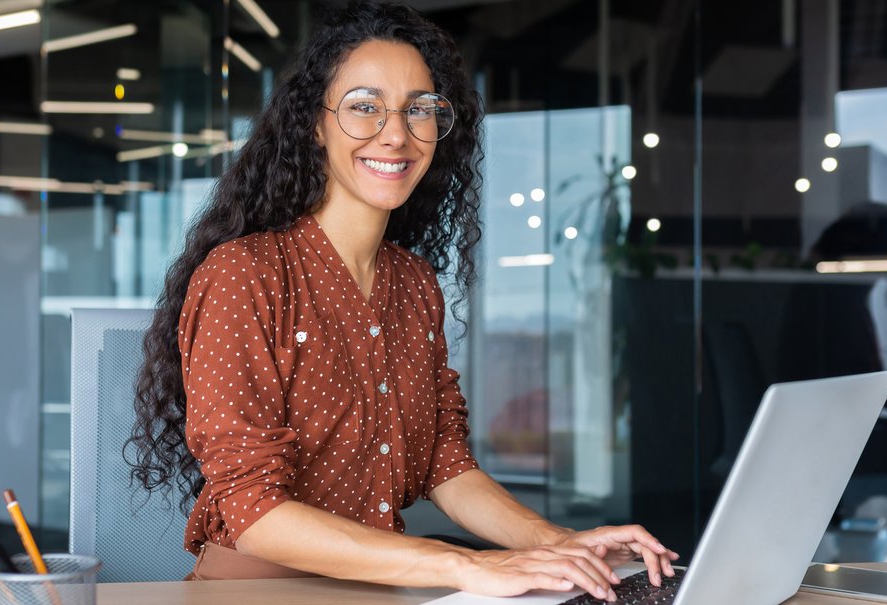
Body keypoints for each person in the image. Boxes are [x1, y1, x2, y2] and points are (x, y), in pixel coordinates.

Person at [129, 1, 677, 600]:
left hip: (378, 587)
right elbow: (254, 513)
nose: (397, 133)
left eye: (419, 110)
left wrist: (554, 541)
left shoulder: (414, 285)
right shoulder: (245, 274)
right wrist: (465, 565)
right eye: (365, 107)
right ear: (315, 123)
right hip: (258, 592)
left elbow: (446, 463)